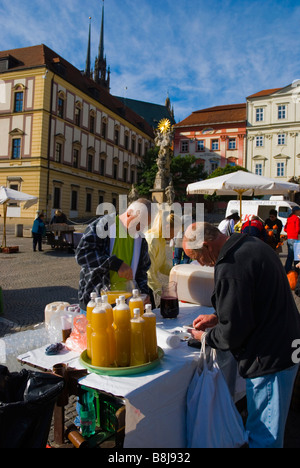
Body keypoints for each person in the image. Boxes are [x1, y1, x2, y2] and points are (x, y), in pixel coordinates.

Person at [183, 222, 300, 448]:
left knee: (264, 436)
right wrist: (219, 316)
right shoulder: (250, 243)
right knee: (270, 427)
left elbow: (232, 333)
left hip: (270, 357)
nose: (200, 263)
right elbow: (254, 299)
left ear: (207, 245)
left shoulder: (230, 265)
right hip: (286, 346)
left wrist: (205, 338)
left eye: (197, 257)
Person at [75, 198, 152, 311]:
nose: (142, 229)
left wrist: (144, 293)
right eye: (139, 224)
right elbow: (82, 255)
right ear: (129, 214)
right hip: (96, 304)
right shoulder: (104, 225)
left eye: (145, 225)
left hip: (126, 306)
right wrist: (115, 264)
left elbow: (142, 271)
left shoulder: (140, 239)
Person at [145, 210, 181, 306]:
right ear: (167, 227)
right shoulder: (152, 240)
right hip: (142, 285)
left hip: (148, 284)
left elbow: (162, 266)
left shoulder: (160, 240)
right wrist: (163, 293)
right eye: (174, 233)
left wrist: (177, 273)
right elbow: (149, 273)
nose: (174, 236)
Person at [284, 206, 300, 273]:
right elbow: (298, 229)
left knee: (290, 256)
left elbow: (285, 229)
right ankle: (297, 271)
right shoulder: (297, 219)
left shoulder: (289, 218)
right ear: (296, 211)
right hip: (295, 239)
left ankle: (287, 270)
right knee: (297, 256)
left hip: (289, 238)